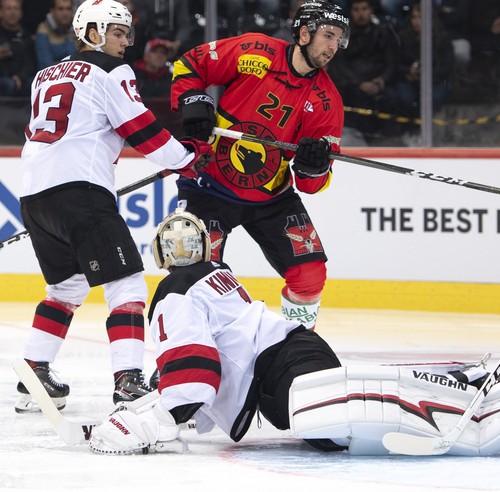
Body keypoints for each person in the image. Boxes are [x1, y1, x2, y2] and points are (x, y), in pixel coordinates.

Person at [87, 209, 500, 455]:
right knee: (332, 433)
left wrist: (155, 421)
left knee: (332, 420)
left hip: (284, 363)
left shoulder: (172, 292)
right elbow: (210, 364)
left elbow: (196, 371)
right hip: (282, 366)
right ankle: (456, 389)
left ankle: (466, 397)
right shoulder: (214, 274)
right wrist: (160, 402)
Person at [15, 0, 213, 412]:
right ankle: (128, 381)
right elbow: (138, 127)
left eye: (128, 34)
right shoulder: (110, 70)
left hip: (34, 194)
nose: (126, 42)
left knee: (65, 287)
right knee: (126, 285)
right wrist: (186, 158)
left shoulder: (43, 74)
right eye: (118, 33)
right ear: (91, 33)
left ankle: (34, 371)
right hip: (80, 190)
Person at [169, 0, 347, 330]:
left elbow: (312, 184)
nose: (334, 46)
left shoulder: (327, 101)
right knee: (192, 271)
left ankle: (297, 346)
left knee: (309, 276)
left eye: (339, 39)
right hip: (208, 185)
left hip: (271, 198)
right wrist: (193, 102)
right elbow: (189, 65)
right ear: (305, 34)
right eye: (329, 35)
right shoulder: (256, 51)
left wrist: (314, 167)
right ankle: (186, 345)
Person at [327, 0, 399, 142]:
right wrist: (359, 83)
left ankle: (388, 138)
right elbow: (339, 65)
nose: (361, 13)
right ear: (351, 11)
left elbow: (391, 61)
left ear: (371, 10)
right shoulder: (343, 35)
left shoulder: (383, 32)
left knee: (397, 97)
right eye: (357, 9)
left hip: (378, 84)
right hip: (350, 86)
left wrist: (382, 79)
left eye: (364, 9)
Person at [0, 0, 36, 97]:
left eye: (16, 9)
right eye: (8, 9)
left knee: (34, 84)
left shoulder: (26, 35)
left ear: (21, 13)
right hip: (3, 77)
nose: (13, 12)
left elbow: (31, 62)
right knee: (9, 84)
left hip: (22, 78)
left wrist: (20, 76)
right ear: (1, 12)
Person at [34, 0, 76, 70]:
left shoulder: (78, 30)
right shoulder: (43, 30)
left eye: (68, 9)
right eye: (60, 9)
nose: (65, 13)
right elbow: (46, 66)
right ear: (52, 11)